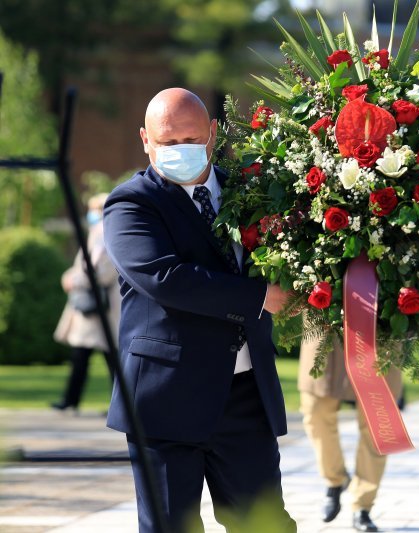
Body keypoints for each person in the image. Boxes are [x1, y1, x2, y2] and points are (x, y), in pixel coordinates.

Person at [103, 88, 296, 532]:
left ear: (212, 133)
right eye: (168, 143)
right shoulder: (131, 203)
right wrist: (259, 297)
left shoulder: (252, 194)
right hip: (166, 399)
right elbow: (164, 277)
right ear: (145, 140)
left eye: (191, 140)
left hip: (246, 395)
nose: (180, 152)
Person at [298, 335, 402, 532]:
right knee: (315, 412)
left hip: (380, 330)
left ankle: (362, 504)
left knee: (377, 422)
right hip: (324, 325)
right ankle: (335, 479)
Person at [52, 193, 120, 411]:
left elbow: (103, 272)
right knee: (88, 357)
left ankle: (117, 404)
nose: (92, 214)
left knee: (107, 359)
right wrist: (71, 277)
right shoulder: (98, 234)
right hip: (93, 308)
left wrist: (75, 279)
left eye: (96, 209)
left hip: (101, 307)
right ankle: (73, 400)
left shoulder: (108, 234)